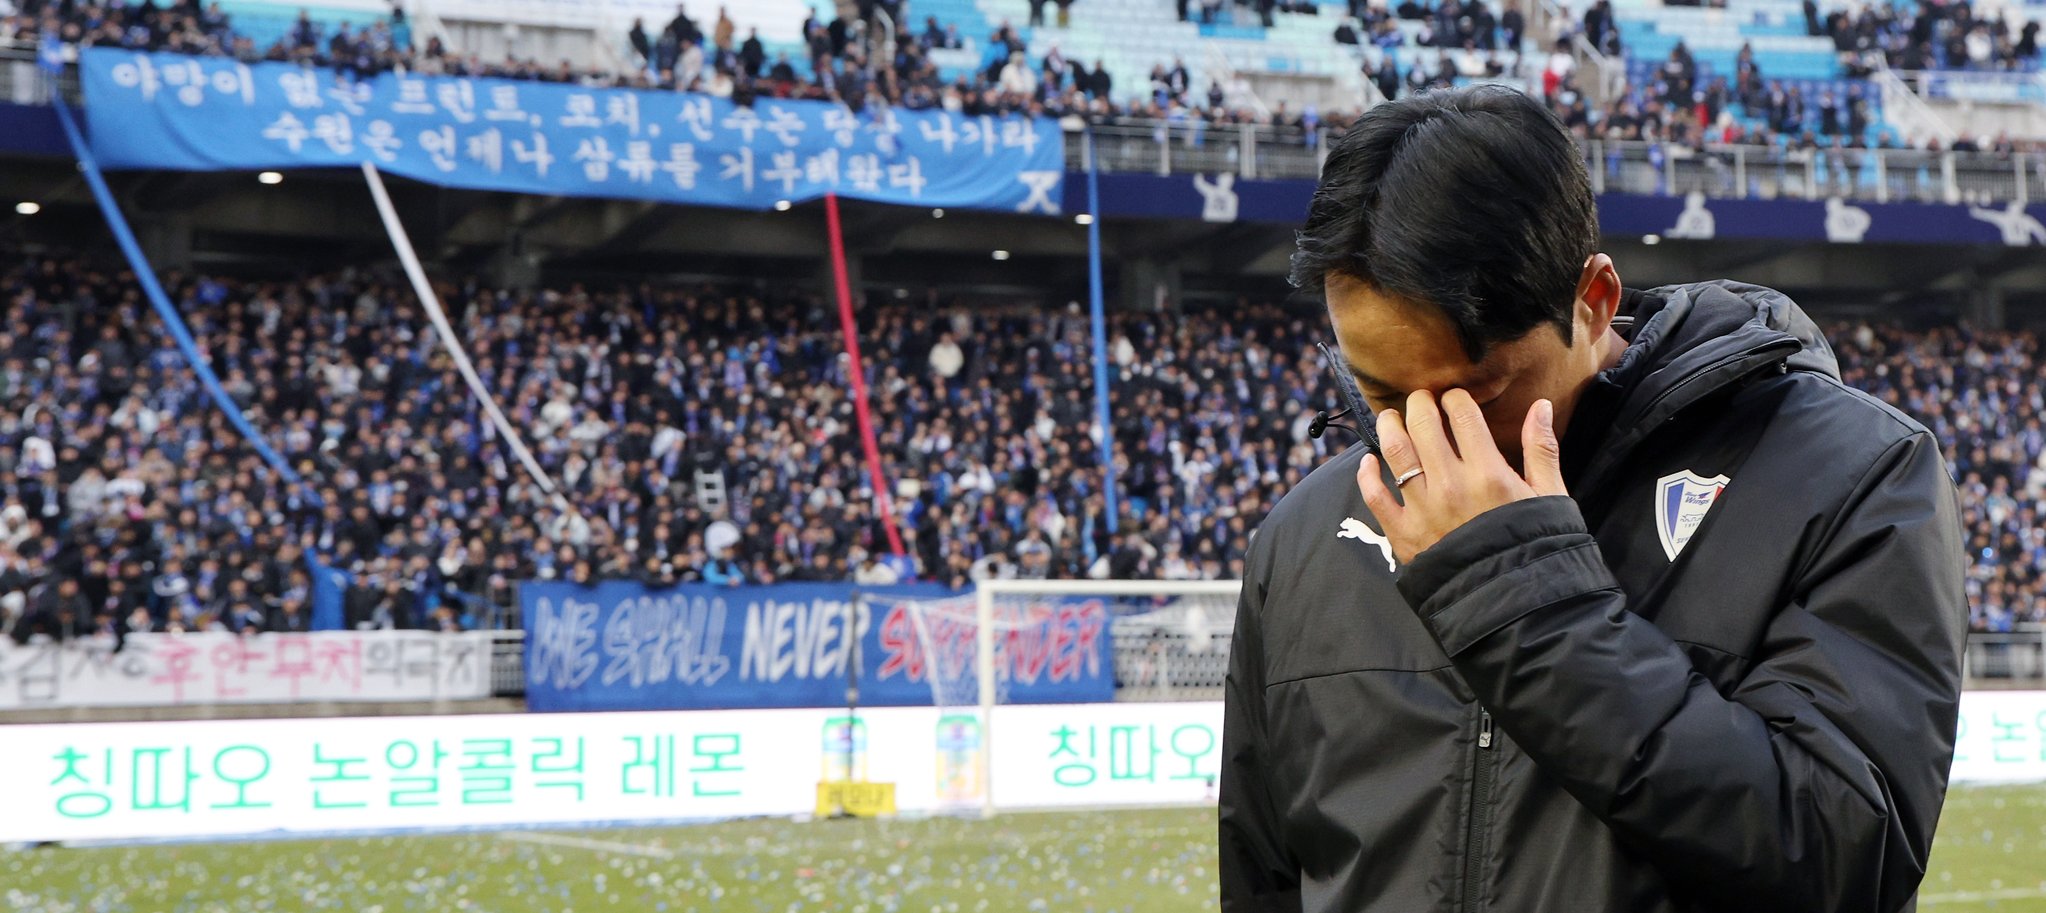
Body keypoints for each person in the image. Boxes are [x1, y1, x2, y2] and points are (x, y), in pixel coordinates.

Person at [1219, 86, 1966, 912]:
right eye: (1382, 396)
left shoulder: (1855, 473)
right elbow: (1266, 874)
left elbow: (1842, 857)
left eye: (1482, 392)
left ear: (1595, 299)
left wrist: (1515, 593)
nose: (1436, 436)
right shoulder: (1301, 535)